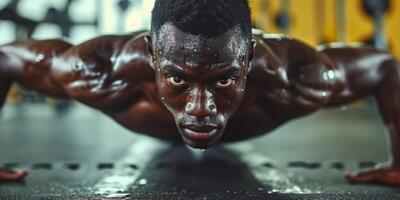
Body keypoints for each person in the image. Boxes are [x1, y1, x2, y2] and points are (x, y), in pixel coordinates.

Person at [1, 0, 399, 186]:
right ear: (152, 59)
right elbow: (7, 59)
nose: (200, 107)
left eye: (223, 81)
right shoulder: (99, 71)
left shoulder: (296, 77)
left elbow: (385, 68)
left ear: (247, 63)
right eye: (178, 80)